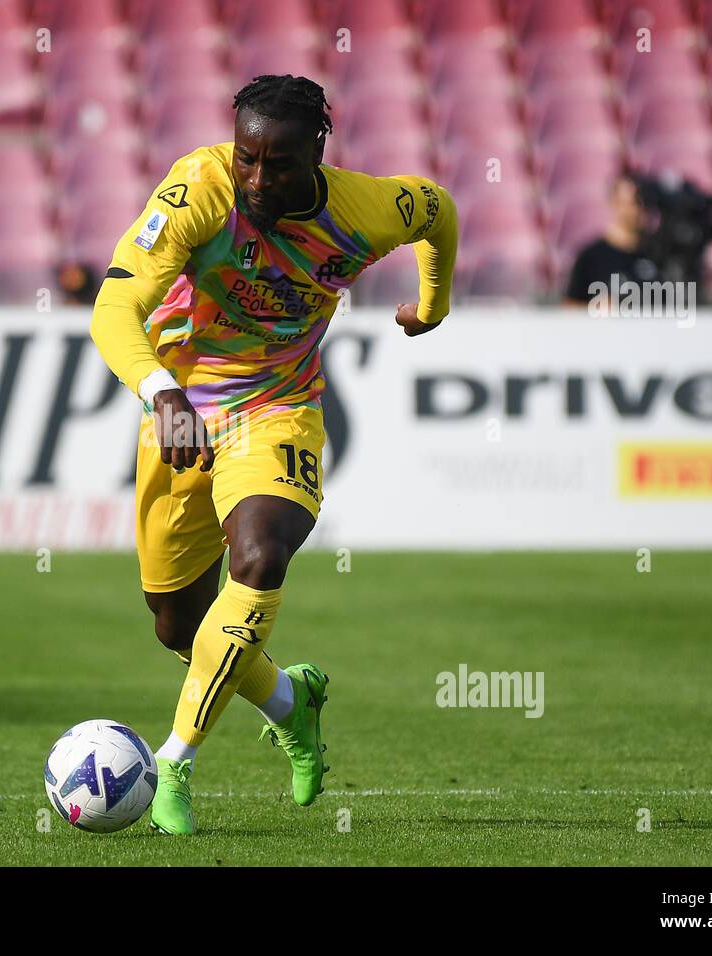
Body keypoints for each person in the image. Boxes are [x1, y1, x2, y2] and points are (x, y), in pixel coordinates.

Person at [89, 73, 458, 835]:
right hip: (181, 414)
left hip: (278, 411)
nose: (258, 178)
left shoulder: (364, 210)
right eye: (246, 156)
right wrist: (162, 395)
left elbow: (438, 210)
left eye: (279, 162)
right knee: (178, 627)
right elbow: (114, 305)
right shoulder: (199, 191)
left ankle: (174, 762)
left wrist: (433, 304)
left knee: (259, 558)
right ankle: (294, 702)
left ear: (317, 150)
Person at [564, 174, 659, 306]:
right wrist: (597, 308)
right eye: (634, 202)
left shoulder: (660, 253)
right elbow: (569, 309)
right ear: (615, 203)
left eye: (645, 202)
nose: (640, 209)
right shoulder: (591, 258)